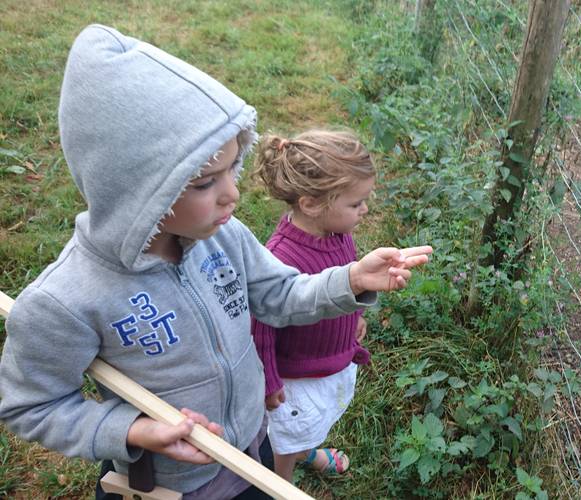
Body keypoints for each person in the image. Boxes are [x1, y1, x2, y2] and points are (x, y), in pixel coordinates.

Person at [0, 25, 431, 499]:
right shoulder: (66, 300)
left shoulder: (223, 238)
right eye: (206, 182)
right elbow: (31, 406)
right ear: (137, 191)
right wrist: (131, 430)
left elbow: (281, 295)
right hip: (170, 486)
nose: (233, 193)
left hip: (251, 451)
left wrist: (349, 280)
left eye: (232, 168)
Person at [250, 130, 376, 480]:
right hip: (296, 376)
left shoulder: (338, 234)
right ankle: (281, 484)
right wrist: (270, 381)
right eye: (355, 204)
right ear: (311, 204)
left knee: (313, 420)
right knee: (286, 439)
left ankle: (307, 450)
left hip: (330, 361)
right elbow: (260, 326)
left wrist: (355, 315)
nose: (364, 210)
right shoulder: (280, 257)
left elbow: (348, 278)